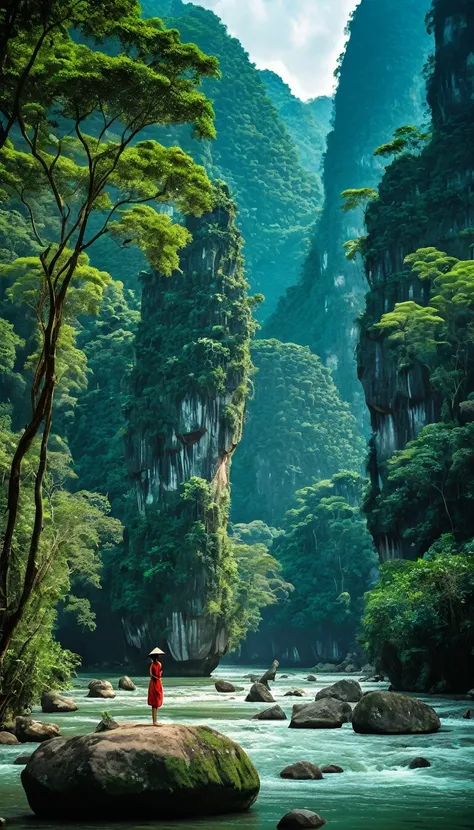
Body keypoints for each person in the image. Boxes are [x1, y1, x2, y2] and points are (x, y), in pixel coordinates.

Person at [147, 647, 164, 726]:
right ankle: (155, 721)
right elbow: (156, 675)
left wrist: (158, 678)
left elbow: (153, 675)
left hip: (155, 683)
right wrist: (158, 678)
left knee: (155, 703)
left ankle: (155, 721)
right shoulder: (156, 665)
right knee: (155, 703)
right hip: (155, 684)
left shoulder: (153, 665)